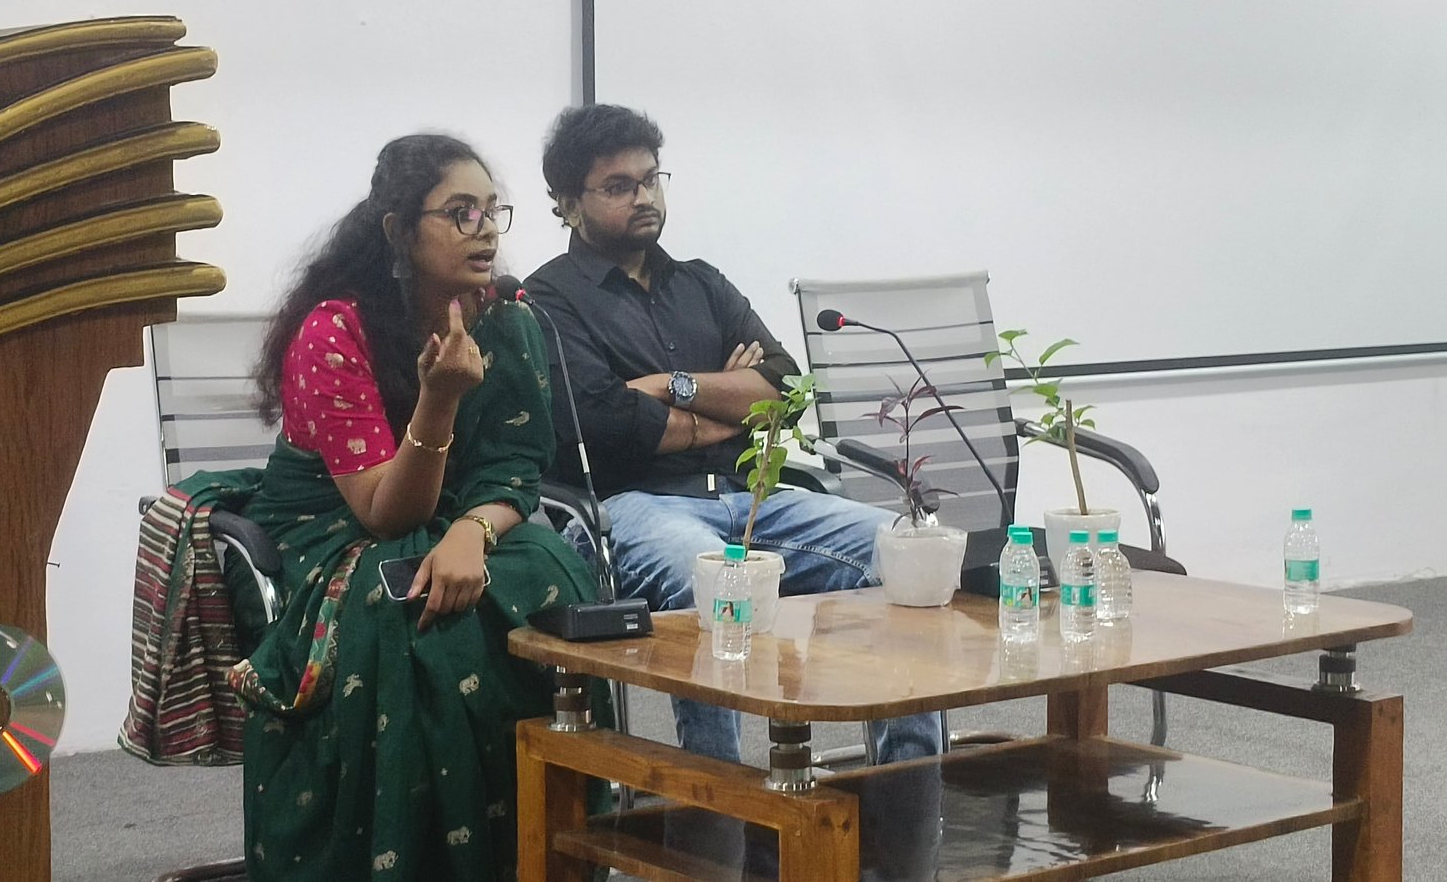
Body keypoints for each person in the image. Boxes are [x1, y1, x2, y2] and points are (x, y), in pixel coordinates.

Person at [232, 133, 605, 881]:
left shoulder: (508, 320)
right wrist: (439, 399)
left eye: (492, 211)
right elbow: (384, 514)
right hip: (335, 534)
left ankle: (547, 848)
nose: (486, 230)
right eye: (461, 213)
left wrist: (472, 532)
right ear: (400, 231)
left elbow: (514, 466)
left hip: (457, 519)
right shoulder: (335, 330)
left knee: (551, 574)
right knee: (408, 610)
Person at [524, 104, 943, 764]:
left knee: (903, 551)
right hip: (630, 507)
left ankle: (908, 784)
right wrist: (730, 400)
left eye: (651, 179)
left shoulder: (702, 283)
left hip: (750, 495)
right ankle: (717, 798)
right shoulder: (548, 299)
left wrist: (669, 386)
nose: (644, 198)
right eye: (619, 186)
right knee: (717, 581)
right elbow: (603, 420)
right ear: (570, 204)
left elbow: (786, 388)